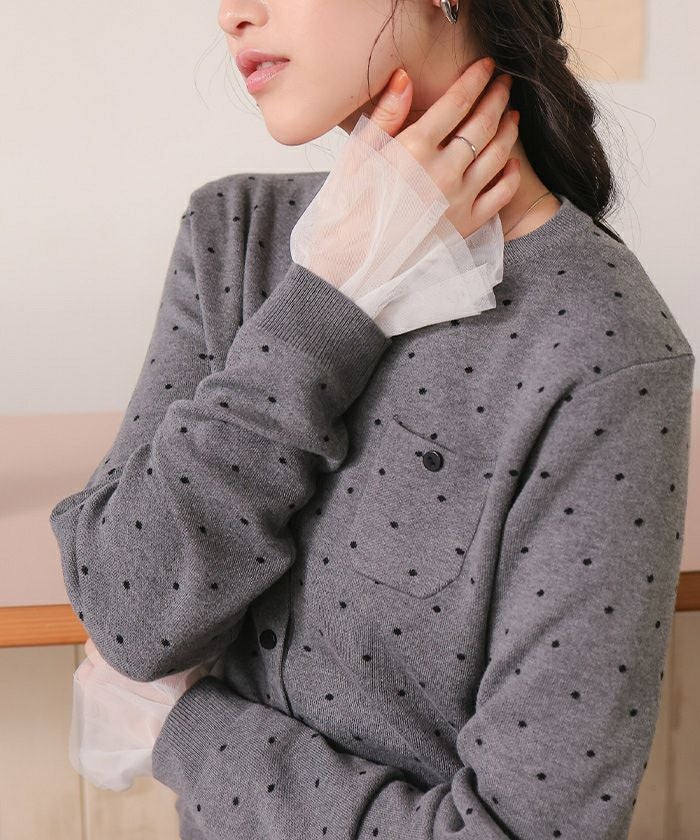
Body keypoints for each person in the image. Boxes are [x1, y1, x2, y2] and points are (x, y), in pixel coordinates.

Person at [49, 0, 694, 838]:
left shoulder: (604, 352)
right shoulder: (233, 236)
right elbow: (128, 616)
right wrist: (329, 299)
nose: (232, 14)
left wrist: (187, 733)